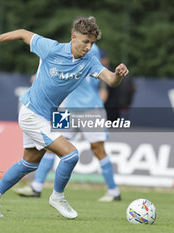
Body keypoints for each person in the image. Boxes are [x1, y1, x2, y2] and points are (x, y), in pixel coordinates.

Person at [0, 16, 129, 219]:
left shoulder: (89, 61)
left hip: (47, 117)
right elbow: (23, 33)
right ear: (73, 36)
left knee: (29, 163)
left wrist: (118, 74)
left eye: (92, 43)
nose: (88, 47)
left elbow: (111, 80)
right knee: (70, 154)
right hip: (31, 113)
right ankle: (57, 197)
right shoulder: (51, 48)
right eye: (85, 41)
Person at [13, 43, 121, 202]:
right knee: (51, 146)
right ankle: (36, 186)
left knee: (98, 149)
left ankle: (114, 191)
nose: (85, 45)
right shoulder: (74, 53)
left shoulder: (90, 56)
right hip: (67, 110)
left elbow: (68, 71)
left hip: (90, 110)